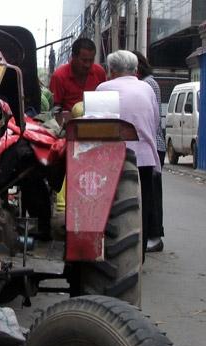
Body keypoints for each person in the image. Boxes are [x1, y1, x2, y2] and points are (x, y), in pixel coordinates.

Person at [96, 50, 160, 259]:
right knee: (143, 208)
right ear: (135, 70)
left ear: (112, 71)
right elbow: (155, 123)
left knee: (104, 204)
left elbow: (95, 125)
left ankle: (102, 248)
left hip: (108, 158)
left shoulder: (103, 88)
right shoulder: (147, 89)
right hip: (144, 157)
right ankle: (138, 256)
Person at [133, 50, 164, 252]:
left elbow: (153, 120)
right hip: (147, 144)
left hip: (153, 144)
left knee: (151, 194)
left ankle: (155, 235)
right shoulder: (146, 83)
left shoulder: (148, 85)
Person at [50, 38, 106, 111]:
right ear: (73, 56)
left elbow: (104, 100)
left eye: (91, 60)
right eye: (84, 60)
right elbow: (54, 107)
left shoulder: (99, 72)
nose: (88, 65)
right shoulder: (59, 76)